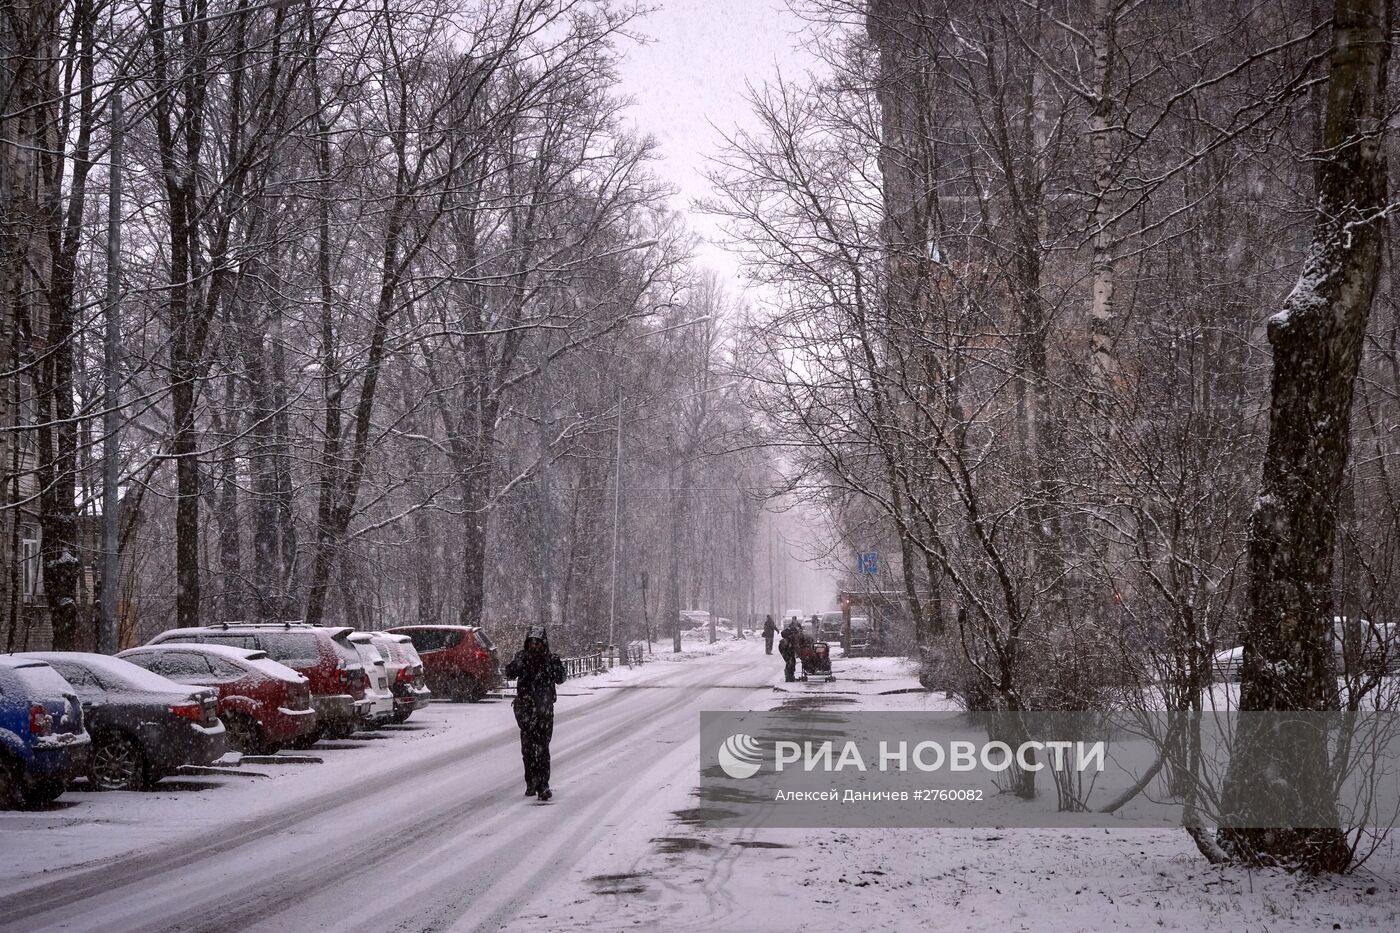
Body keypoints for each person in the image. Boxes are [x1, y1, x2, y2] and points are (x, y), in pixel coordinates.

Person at [504, 627, 567, 800]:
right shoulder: (522, 657)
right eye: (531, 643)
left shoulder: (550, 659)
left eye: (538, 643)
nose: (534, 646)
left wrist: (554, 666)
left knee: (543, 747)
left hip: (544, 709)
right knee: (528, 748)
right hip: (526, 709)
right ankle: (531, 781)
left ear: (543, 643)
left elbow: (561, 678)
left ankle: (543, 784)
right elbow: (509, 673)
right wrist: (517, 664)